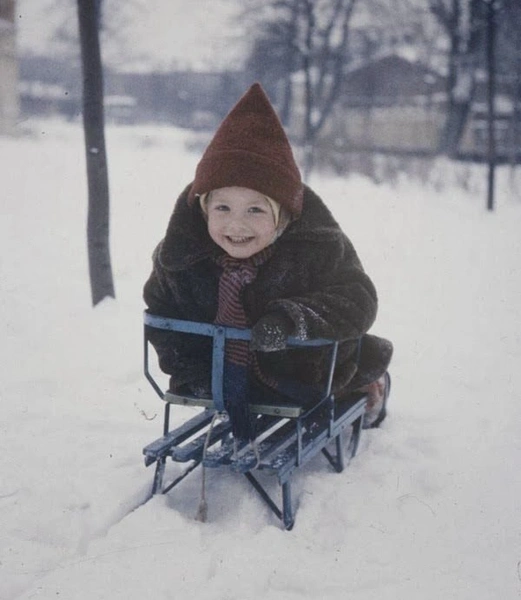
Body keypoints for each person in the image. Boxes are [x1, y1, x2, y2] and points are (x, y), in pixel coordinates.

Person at [143, 83, 393, 440]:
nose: (236, 224)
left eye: (256, 210)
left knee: (350, 381)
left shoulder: (317, 248)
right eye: (222, 208)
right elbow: (162, 314)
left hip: (304, 376)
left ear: (285, 217)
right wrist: (190, 372)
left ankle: (370, 388)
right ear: (203, 211)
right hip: (218, 378)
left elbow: (357, 298)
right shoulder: (180, 260)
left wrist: (292, 320)